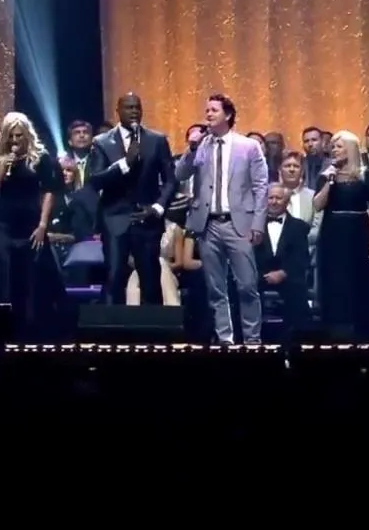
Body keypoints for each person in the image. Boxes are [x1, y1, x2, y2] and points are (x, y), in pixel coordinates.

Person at [173, 94, 269, 345]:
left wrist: (258, 223)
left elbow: (261, 186)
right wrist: (192, 148)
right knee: (216, 289)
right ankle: (225, 340)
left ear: (228, 115)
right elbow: (180, 174)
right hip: (208, 224)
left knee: (247, 286)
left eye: (214, 110)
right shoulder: (201, 146)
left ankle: (252, 341)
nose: (208, 114)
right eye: (206, 110)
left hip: (239, 224)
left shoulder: (248, 146)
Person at [0, 112, 67, 339]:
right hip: (4, 224)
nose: (15, 141)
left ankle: (33, 330)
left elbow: (49, 191)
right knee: (1, 276)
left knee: (33, 279)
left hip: (31, 224)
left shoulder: (40, 158)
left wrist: (43, 225)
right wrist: (1, 171)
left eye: (19, 136)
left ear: (27, 134)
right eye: (11, 136)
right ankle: (0, 331)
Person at [86, 93, 176, 305]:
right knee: (114, 277)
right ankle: (111, 325)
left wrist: (157, 208)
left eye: (137, 107)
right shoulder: (102, 142)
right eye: (129, 107)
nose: (134, 111)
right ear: (118, 111)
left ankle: (153, 325)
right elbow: (95, 180)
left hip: (147, 220)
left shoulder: (157, 140)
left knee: (151, 281)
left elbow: (171, 180)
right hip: (114, 219)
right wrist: (124, 164)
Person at [313, 131, 369, 340]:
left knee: (358, 278)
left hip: (359, 231)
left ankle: (361, 330)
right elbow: (317, 205)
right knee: (334, 279)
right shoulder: (326, 175)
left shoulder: (366, 175)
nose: (334, 150)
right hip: (333, 232)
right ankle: (335, 329)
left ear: (351, 149)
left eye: (339, 146)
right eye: (333, 147)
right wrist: (329, 182)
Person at [255, 183, 312, 347]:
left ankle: (297, 342)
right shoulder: (254, 226)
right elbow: (250, 255)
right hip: (259, 275)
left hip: (288, 276)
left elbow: (301, 257)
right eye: (270, 198)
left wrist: (283, 273)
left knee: (297, 291)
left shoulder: (299, 227)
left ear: (287, 202)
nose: (274, 202)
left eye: (278, 198)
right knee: (244, 289)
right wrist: (263, 275)